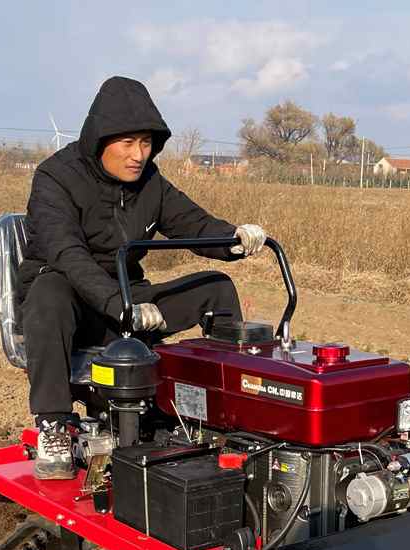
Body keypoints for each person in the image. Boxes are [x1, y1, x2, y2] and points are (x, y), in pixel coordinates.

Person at [18, 76, 266, 479]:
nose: (139, 154)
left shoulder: (150, 182)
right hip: (72, 303)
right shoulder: (55, 178)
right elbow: (67, 254)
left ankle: (225, 415)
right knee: (49, 291)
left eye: (147, 143)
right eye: (128, 143)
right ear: (101, 139)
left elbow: (192, 222)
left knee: (216, 287)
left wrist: (234, 239)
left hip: (128, 296)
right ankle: (55, 427)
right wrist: (123, 306)